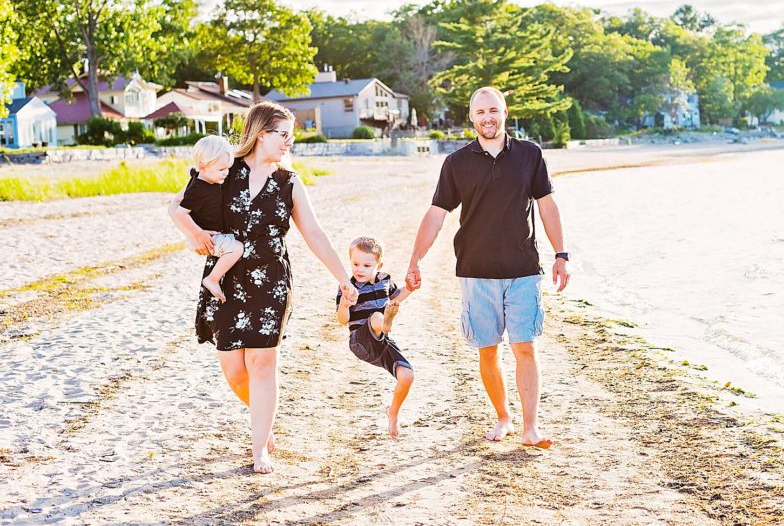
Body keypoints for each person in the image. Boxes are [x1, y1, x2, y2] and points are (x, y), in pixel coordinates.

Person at [168, 101, 356, 474]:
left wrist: (342, 277)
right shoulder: (226, 168)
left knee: (262, 361)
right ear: (260, 134)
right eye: (283, 135)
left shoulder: (289, 181)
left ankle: (260, 450)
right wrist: (194, 236)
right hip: (226, 276)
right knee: (234, 368)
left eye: (291, 135)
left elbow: (314, 234)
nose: (289, 142)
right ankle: (262, 419)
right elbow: (177, 206)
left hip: (270, 278)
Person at [406, 86, 570, 449]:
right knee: (488, 350)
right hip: (476, 271)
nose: (488, 118)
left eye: (493, 111)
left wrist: (562, 254)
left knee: (525, 346)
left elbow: (547, 207)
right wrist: (416, 259)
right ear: (471, 118)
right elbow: (436, 215)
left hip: (524, 267)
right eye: (480, 112)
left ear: (505, 112)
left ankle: (531, 427)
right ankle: (503, 417)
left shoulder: (530, 154)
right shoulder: (457, 163)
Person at [335, 236, 415, 439]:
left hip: (381, 341)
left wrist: (410, 289)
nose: (359, 269)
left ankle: (393, 412)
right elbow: (342, 320)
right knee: (378, 317)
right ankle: (386, 323)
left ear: (378, 265)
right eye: (355, 264)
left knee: (407, 376)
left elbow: (394, 298)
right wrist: (344, 305)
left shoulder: (384, 279)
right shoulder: (348, 287)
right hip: (359, 340)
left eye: (366, 265)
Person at [176, 135, 245, 302]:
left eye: (228, 168)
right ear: (202, 167)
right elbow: (180, 213)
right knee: (237, 248)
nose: (226, 173)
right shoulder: (198, 189)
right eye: (221, 169)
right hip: (206, 237)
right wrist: (198, 234)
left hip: (209, 233)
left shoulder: (203, 177)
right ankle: (212, 279)